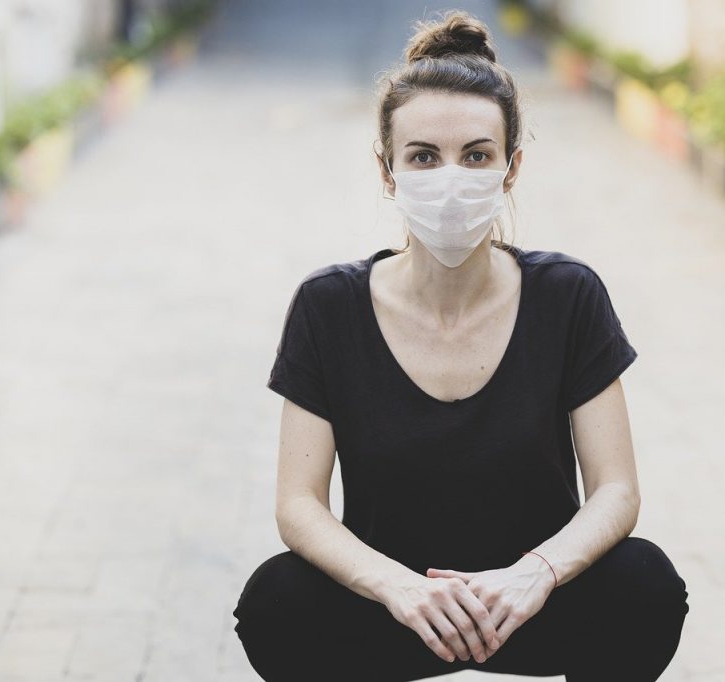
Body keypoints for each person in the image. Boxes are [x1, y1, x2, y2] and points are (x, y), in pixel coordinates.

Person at [232, 9, 689, 681]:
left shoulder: (566, 296)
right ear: (387, 170)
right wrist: (397, 587)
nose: (450, 178)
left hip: (531, 606)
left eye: (476, 155)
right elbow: (298, 504)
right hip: (396, 611)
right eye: (423, 156)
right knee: (276, 602)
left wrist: (538, 574)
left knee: (645, 584)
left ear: (511, 167)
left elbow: (616, 491)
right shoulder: (329, 307)